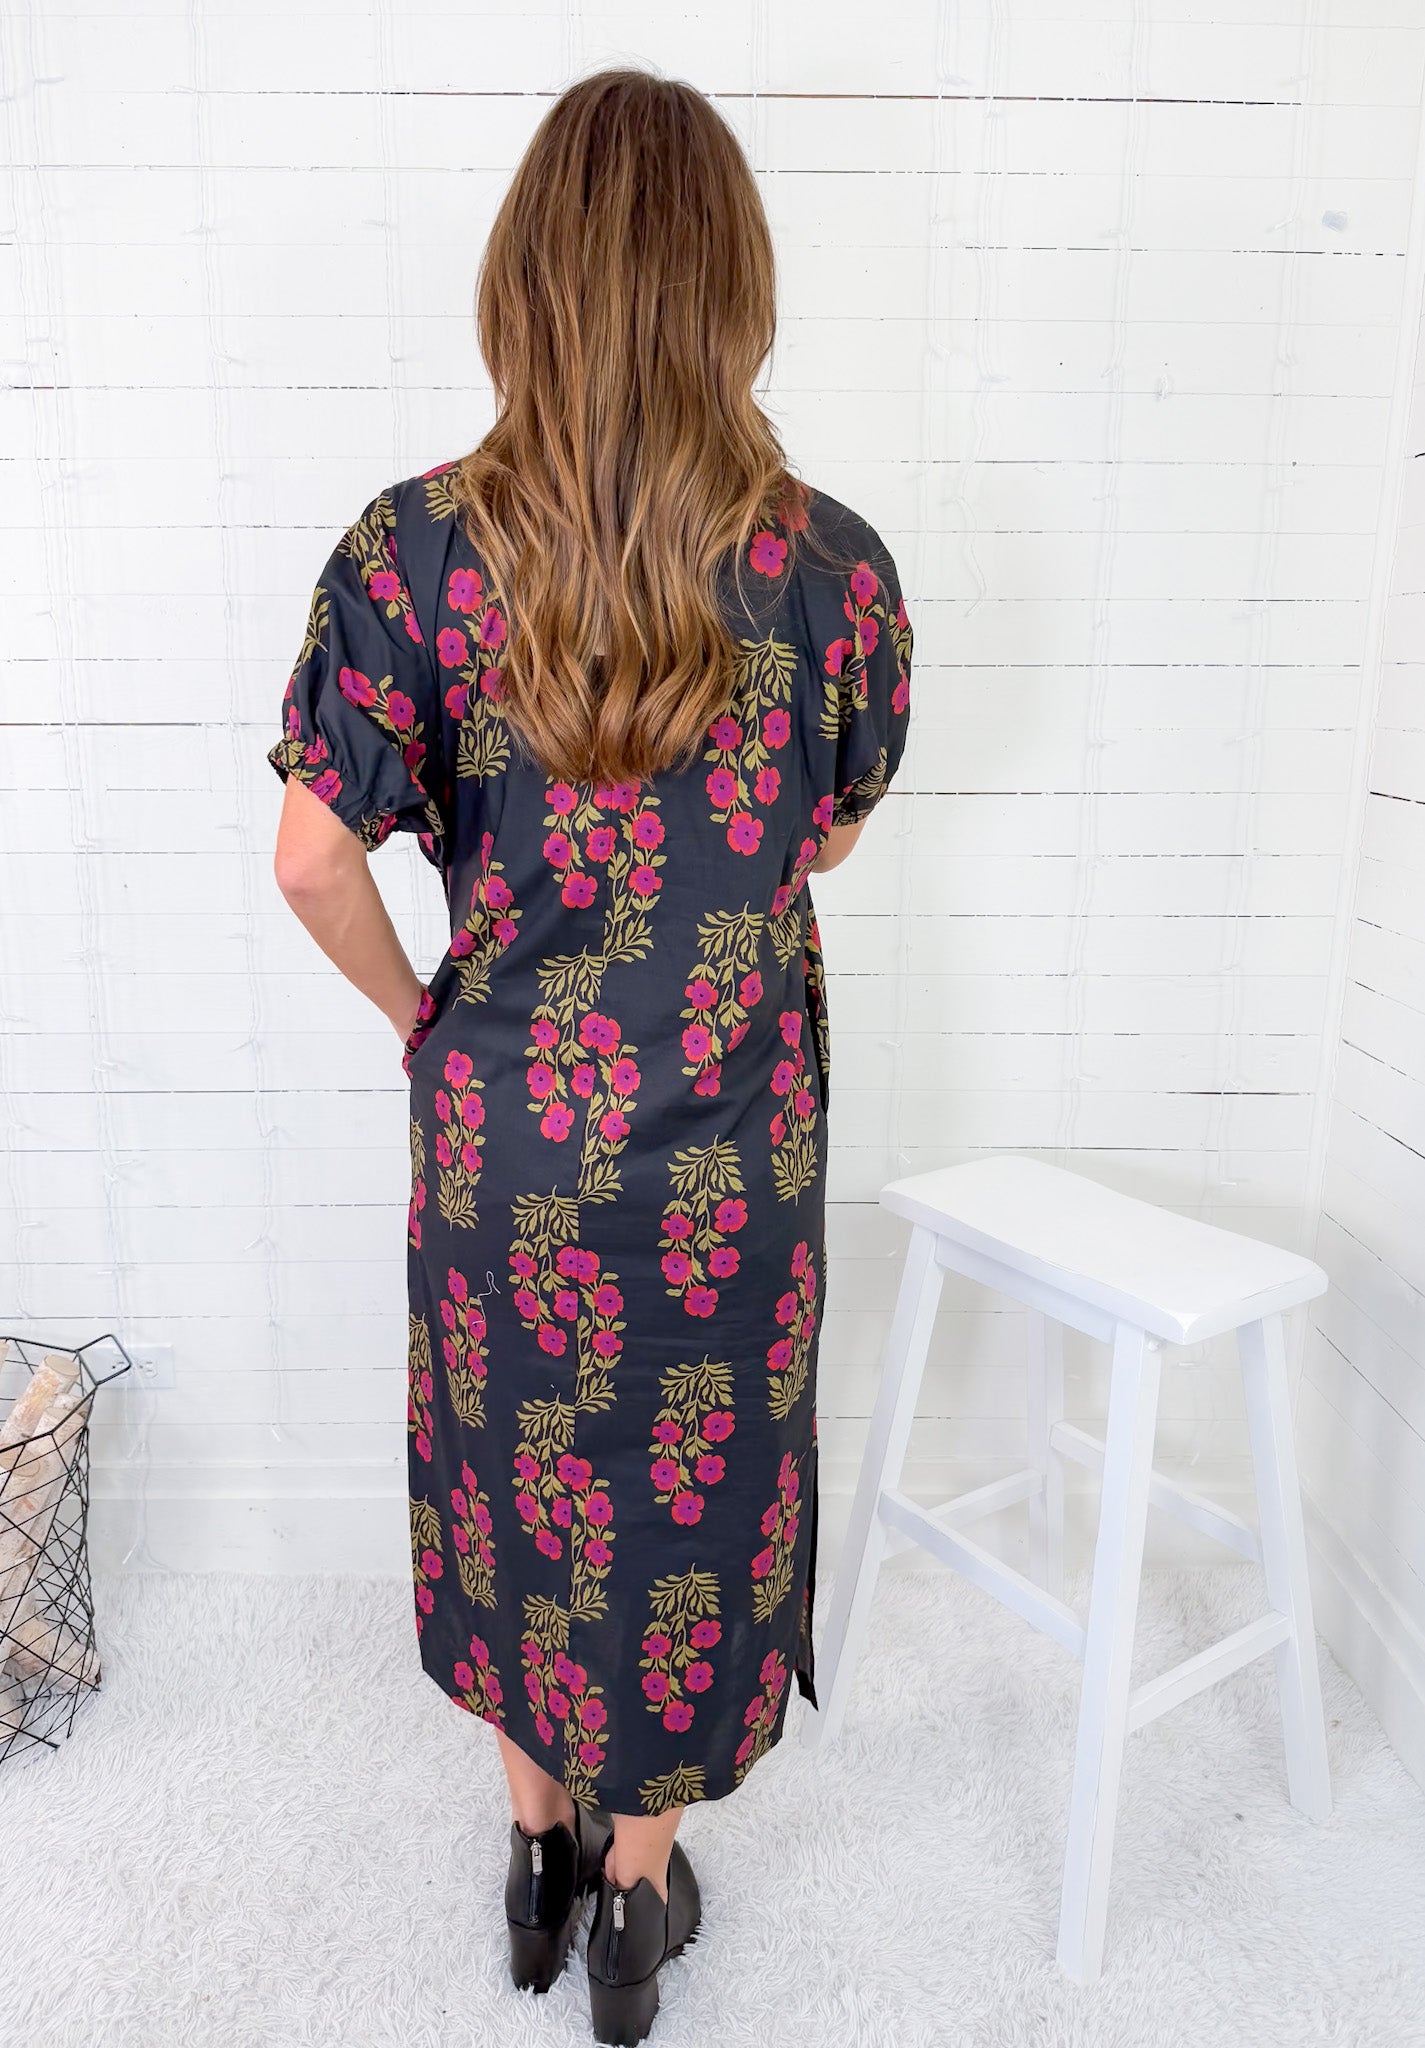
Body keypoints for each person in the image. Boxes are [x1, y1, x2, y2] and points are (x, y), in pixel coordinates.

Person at [268, 66, 912, 2047]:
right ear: (731, 287)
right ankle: (636, 1896)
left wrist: (421, 1015)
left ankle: (535, 1858)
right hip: (723, 1151)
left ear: (517, 281)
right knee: (681, 1519)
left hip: (502, 1155)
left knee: (514, 1489)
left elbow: (310, 855)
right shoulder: (828, 569)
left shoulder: (409, 559)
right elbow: (826, 828)